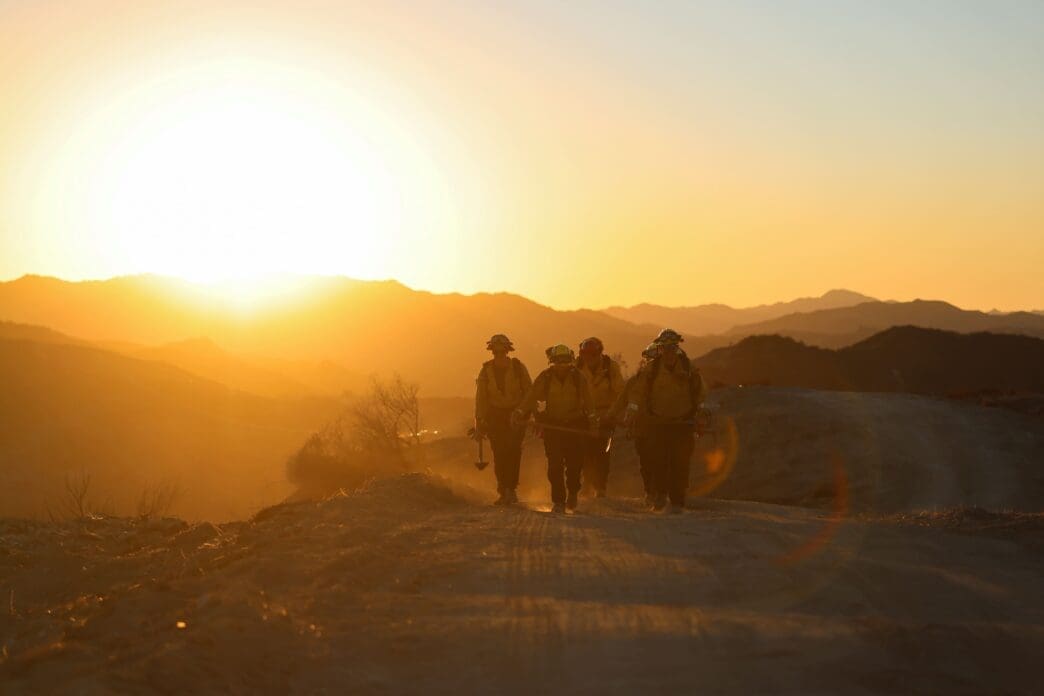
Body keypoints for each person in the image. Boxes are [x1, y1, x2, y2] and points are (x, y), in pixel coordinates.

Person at [513, 344, 596, 513]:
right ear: (552, 362)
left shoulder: (578, 378)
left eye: (565, 361)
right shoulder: (545, 377)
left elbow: (589, 402)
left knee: (574, 465)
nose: (562, 365)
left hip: (575, 425)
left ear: (570, 361)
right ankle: (558, 501)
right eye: (558, 361)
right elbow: (532, 396)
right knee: (554, 466)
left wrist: (593, 421)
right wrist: (519, 411)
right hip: (554, 427)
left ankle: (572, 492)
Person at [629, 329, 704, 513]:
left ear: (677, 347)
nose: (669, 352)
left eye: (672, 347)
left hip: (683, 423)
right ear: (660, 348)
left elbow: (701, 391)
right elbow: (637, 392)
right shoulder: (651, 369)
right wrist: (632, 411)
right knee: (658, 462)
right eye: (665, 348)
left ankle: (677, 501)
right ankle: (660, 496)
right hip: (658, 423)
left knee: (681, 463)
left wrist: (702, 412)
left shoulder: (688, 368)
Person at [474, 334, 532, 505]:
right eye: (495, 352)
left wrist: (523, 412)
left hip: (516, 416)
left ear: (507, 351)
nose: (499, 354)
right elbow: (481, 399)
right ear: (492, 351)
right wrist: (479, 422)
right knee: (499, 453)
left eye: (502, 351)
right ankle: (503, 490)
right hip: (495, 417)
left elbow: (529, 391)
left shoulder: (518, 368)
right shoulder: (486, 370)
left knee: (514, 451)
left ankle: (511, 489)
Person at [607, 342, 661, 507]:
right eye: (650, 359)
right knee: (647, 462)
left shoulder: (673, 382)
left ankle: (662, 493)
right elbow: (622, 400)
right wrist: (610, 416)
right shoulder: (635, 381)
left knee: (662, 460)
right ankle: (651, 493)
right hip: (642, 429)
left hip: (664, 428)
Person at [576, 337, 624, 498]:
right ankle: (587, 484)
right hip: (584, 416)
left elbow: (620, 393)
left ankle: (600, 487)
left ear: (599, 353)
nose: (588, 358)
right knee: (584, 450)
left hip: (606, 415)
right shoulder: (577, 368)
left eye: (592, 355)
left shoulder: (611, 368)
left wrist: (614, 413)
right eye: (585, 354)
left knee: (602, 452)